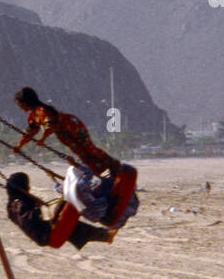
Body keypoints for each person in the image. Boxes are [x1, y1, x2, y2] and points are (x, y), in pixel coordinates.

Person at [12, 87, 136, 224]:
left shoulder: (43, 111)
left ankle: (113, 165)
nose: (20, 108)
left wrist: (43, 138)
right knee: (84, 156)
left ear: (26, 102)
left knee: (88, 149)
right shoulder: (34, 115)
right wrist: (19, 145)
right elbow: (30, 132)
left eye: (20, 104)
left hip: (71, 126)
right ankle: (104, 174)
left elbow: (50, 125)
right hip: (65, 135)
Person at [5, 172, 113, 250]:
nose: (28, 188)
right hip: (48, 235)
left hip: (45, 236)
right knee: (73, 201)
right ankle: (108, 214)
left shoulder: (11, 205)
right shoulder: (20, 204)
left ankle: (105, 235)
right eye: (27, 185)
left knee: (73, 225)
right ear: (22, 187)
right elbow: (30, 219)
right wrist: (36, 205)